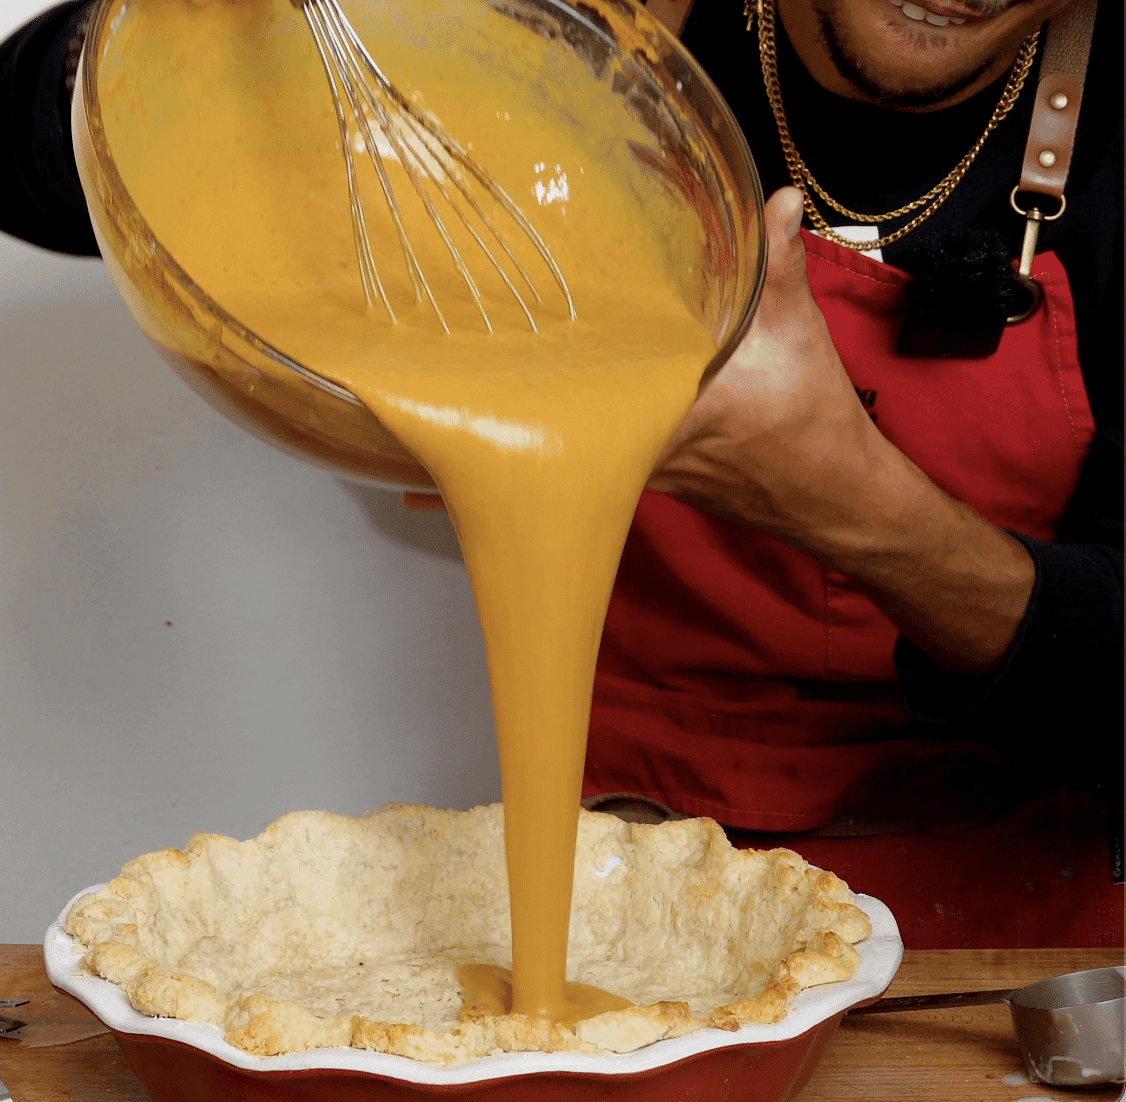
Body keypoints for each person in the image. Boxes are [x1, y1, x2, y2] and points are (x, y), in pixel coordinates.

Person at [3, 0, 1121, 948]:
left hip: (1024, 938)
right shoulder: (594, 43)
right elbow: (29, 160)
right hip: (618, 887)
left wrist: (856, 509)